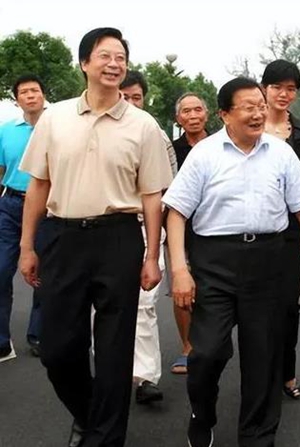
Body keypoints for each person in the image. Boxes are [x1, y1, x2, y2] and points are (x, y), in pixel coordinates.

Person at [18, 28, 172, 447]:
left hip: (118, 238)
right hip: (62, 237)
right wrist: (27, 246)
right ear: (84, 63)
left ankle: (105, 438)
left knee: (114, 351)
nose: (114, 64)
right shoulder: (55, 118)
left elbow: (152, 195)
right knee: (57, 349)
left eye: (121, 57)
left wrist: (152, 255)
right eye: (105, 56)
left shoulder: (143, 125)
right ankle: (89, 416)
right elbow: (38, 185)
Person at [162, 77, 300, 447]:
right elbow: (177, 212)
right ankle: (202, 413)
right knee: (207, 352)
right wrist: (179, 269)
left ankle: (257, 435)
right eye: (248, 107)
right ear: (224, 114)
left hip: (267, 261)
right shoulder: (205, 154)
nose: (257, 114)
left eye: (260, 106)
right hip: (214, 261)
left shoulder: (280, 152)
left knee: (263, 356)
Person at [120, 70, 178, 404]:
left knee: (144, 304)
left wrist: (159, 244)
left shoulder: (155, 134)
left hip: (145, 227)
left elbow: (168, 187)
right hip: (102, 229)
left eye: (136, 97)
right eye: (124, 96)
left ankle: (144, 377)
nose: (130, 103)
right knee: (103, 306)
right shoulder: (93, 130)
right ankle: (112, 370)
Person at [261, 59, 300, 400]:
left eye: (291, 89)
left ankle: (287, 372)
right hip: (254, 227)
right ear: (264, 88)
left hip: (290, 230)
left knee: (288, 303)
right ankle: (261, 372)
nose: (284, 94)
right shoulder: (251, 124)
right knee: (257, 304)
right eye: (277, 87)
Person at [0, 74, 46, 362]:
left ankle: (38, 334)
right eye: (24, 92)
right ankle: (1, 340)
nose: (30, 95)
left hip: (45, 208)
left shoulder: (55, 128)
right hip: (11, 205)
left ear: (43, 95)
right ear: (17, 100)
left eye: (35, 90)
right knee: (1, 270)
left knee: (42, 273)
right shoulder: (6, 131)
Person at [169, 91, 211, 375]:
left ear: (207, 114)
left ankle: (209, 343)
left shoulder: (221, 144)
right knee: (182, 288)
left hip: (213, 230)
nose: (193, 116)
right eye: (187, 111)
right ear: (178, 118)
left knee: (211, 290)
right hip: (180, 228)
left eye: (198, 110)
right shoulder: (170, 150)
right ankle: (187, 348)